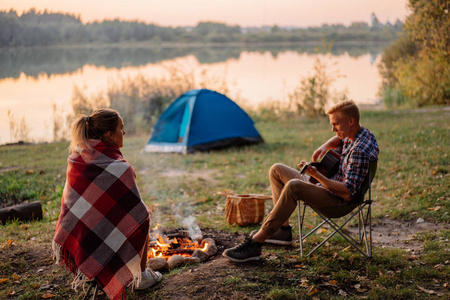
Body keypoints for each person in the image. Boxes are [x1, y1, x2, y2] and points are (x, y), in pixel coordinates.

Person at [223, 100, 379, 262]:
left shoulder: (359, 151)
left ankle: (256, 243)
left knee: (294, 186)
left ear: (351, 121)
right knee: (277, 169)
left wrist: (316, 175)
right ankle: (283, 231)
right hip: (328, 185)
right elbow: (340, 139)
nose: (333, 129)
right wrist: (326, 146)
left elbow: (347, 193)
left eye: (336, 124)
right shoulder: (360, 134)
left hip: (338, 200)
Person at [52, 108, 161, 300]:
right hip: (94, 235)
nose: (124, 133)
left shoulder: (76, 158)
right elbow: (137, 215)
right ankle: (141, 277)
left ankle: (93, 269)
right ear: (109, 134)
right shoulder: (120, 168)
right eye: (121, 128)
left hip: (80, 237)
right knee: (143, 217)